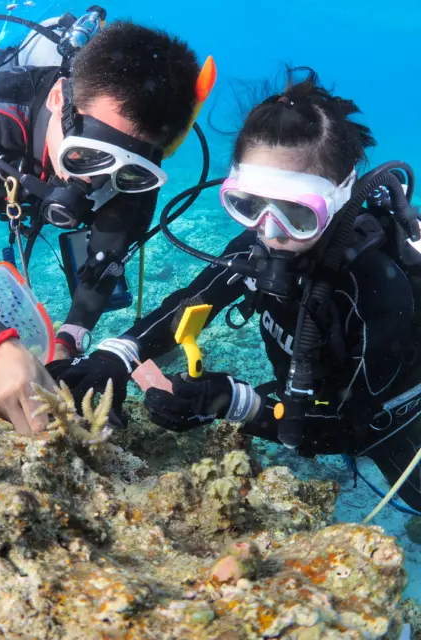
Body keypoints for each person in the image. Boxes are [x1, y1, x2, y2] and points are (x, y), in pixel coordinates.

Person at [49, 68, 421, 512]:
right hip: (311, 398)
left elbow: (358, 428)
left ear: (341, 195)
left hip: (396, 423)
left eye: (297, 215)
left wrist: (231, 401)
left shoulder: (377, 288)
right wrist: (116, 355)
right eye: (249, 206)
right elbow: (192, 304)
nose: (269, 232)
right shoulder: (255, 246)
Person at [0, 17, 204, 436]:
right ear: (60, 97)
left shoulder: (141, 170)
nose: (97, 183)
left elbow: (104, 262)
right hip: (0, 183)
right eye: (88, 155)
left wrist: (67, 342)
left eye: (127, 173)